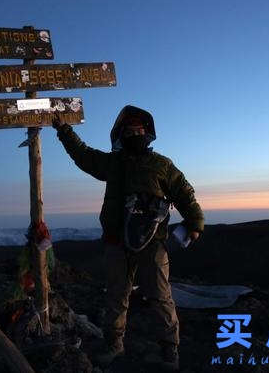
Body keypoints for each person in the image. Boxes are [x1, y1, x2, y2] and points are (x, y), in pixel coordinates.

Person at [51, 105, 204, 370]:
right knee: (116, 296)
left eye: (139, 129)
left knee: (159, 296)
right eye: (130, 130)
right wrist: (64, 130)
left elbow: (184, 193)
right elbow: (83, 155)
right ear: (122, 135)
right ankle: (114, 346)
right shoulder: (113, 164)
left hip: (153, 243)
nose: (135, 133)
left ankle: (170, 354)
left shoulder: (162, 165)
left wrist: (195, 223)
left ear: (147, 132)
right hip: (116, 242)